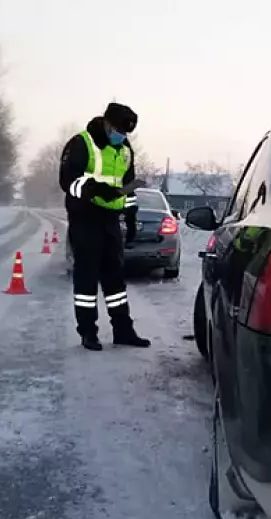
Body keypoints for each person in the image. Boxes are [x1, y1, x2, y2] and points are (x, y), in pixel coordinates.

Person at [59, 102, 151, 351]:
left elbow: (127, 184)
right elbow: (67, 181)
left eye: (126, 132)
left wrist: (130, 215)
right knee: (87, 276)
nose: (121, 136)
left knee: (115, 277)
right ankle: (88, 332)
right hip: (85, 217)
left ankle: (123, 330)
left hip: (111, 219)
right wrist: (95, 189)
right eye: (119, 130)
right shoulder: (81, 143)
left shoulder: (125, 149)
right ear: (107, 123)